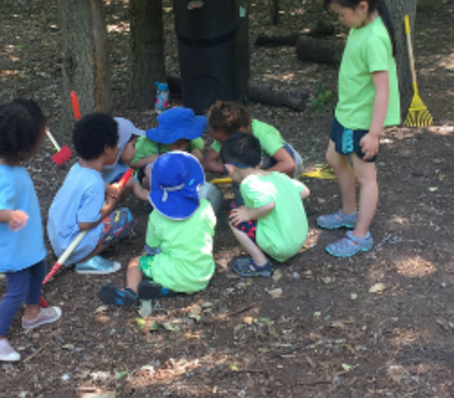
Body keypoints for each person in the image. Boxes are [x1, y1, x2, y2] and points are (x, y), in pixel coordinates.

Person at [316, 0, 400, 258]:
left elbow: (383, 90)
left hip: (362, 122)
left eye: (342, 14)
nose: (341, 21)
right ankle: (349, 212)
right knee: (333, 158)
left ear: (361, 7)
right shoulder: (360, 26)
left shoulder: (375, 38)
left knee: (366, 177)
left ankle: (360, 235)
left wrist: (374, 133)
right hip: (346, 113)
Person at [0, 99, 62, 363]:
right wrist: (9, 215)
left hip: (26, 242)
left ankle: (32, 314)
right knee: (16, 289)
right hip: (12, 247)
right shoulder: (6, 177)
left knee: (39, 270)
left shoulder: (9, 166)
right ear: (22, 145)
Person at [97, 151, 217, 305]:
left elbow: (151, 249)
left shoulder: (157, 216)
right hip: (202, 275)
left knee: (136, 262)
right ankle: (165, 291)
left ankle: (131, 292)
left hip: (175, 271)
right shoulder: (206, 207)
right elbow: (209, 234)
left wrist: (145, 256)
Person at [48, 113, 135, 275]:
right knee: (125, 217)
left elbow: (90, 185)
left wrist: (106, 186)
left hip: (58, 238)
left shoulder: (78, 168)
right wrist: (110, 204)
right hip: (72, 247)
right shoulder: (94, 183)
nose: (118, 148)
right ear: (107, 149)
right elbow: (86, 224)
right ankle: (85, 259)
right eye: (116, 145)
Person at [221, 132, 311, 277]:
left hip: (283, 247)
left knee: (235, 218)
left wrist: (248, 214)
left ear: (230, 168)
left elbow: (268, 205)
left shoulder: (248, 183)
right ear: (260, 162)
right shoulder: (278, 176)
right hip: (300, 238)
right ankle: (272, 240)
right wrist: (285, 204)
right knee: (250, 211)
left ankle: (260, 263)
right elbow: (305, 191)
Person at [202, 100, 303, 207]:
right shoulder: (226, 135)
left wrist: (257, 177)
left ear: (240, 131)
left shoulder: (264, 135)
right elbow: (208, 162)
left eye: (222, 141)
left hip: (278, 167)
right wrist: (234, 169)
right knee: (239, 162)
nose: (220, 144)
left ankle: (284, 197)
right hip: (254, 170)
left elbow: (289, 164)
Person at [131, 106, 206, 185]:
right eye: (178, 144)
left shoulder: (196, 141)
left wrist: (196, 155)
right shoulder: (145, 143)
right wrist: (152, 158)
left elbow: (200, 151)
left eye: (187, 141)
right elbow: (132, 163)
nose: (183, 147)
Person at [101, 117, 145, 187]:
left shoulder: (124, 166)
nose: (135, 150)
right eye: (133, 146)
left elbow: (138, 190)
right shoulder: (96, 167)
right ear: (122, 146)